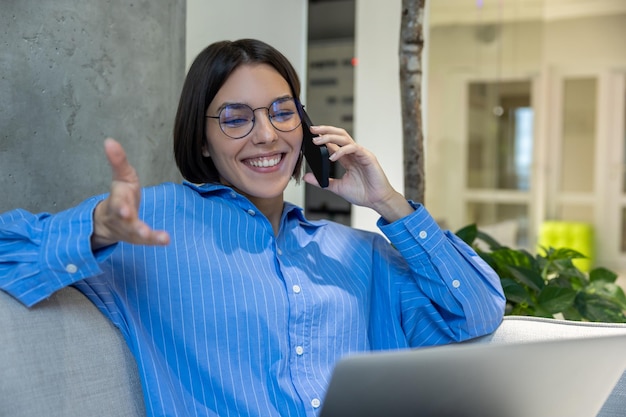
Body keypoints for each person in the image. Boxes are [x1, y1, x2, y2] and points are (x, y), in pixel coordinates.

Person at [0, 38, 505, 417]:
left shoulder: (357, 253)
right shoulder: (151, 227)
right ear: (201, 139)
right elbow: (8, 251)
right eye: (236, 119)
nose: (266, 135)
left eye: (282, 113)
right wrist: (96, 228)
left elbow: (478, 312)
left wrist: (388, 202)